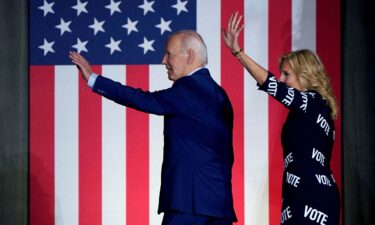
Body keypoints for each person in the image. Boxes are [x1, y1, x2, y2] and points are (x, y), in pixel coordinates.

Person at [69, 30, 237, 225]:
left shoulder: (190, 87)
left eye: (169, 54)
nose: (164, 60)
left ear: (189, 55)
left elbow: (146, 100)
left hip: (190, 202)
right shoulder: (220, 94)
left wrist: (93, 79)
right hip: (219, 203)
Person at [222, 12, 340, 225]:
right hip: (297, 195)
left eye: (287, 74)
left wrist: (238, 52)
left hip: (312, 197)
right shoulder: (311, 108)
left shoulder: (312, 101)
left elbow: (270, 85)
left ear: (305, 75)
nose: (281, 79)